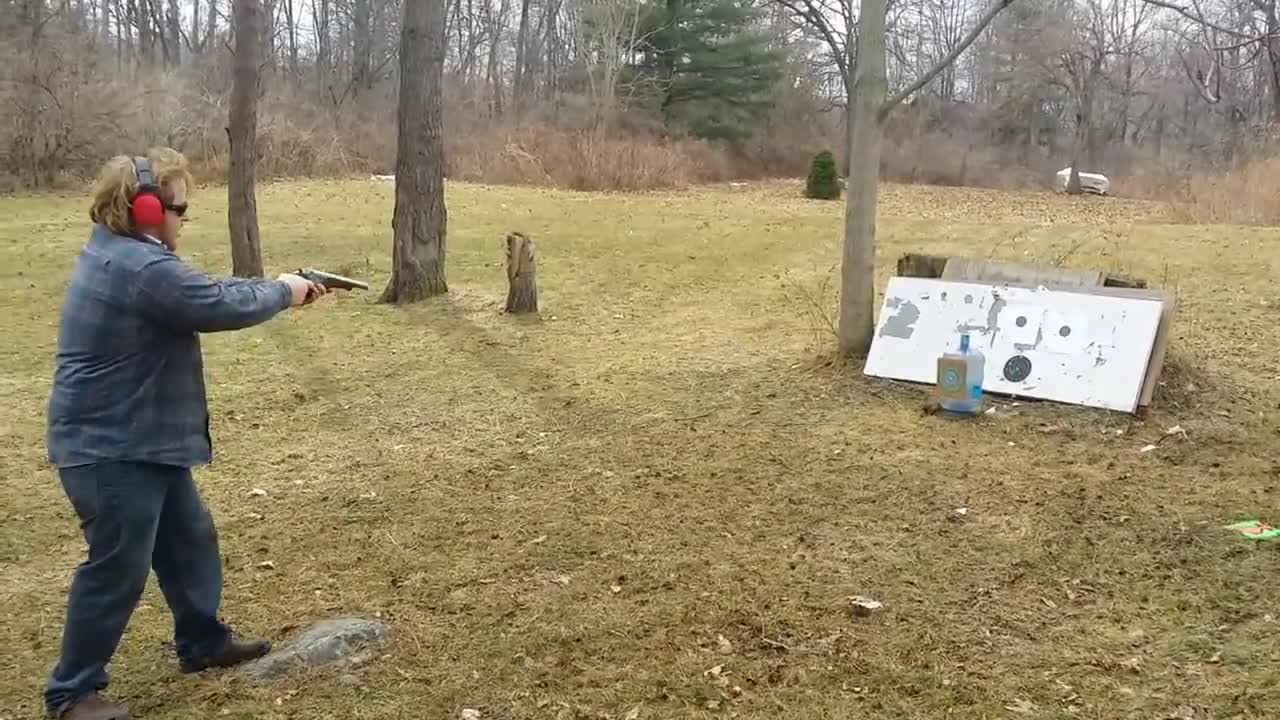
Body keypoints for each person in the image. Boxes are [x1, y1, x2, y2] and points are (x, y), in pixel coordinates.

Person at [42, 148, 328, 720]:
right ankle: (70, 693)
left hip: (139, 439)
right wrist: (283, 291)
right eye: (178, 208)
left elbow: (195, 288)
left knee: (188, 538)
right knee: (117, 565)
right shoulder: (140, 267)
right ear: (145, 209)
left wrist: (275, 286)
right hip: (111, 448)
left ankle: (202, 641)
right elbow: (212, 303)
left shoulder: (123, 255)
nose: (183, 219)